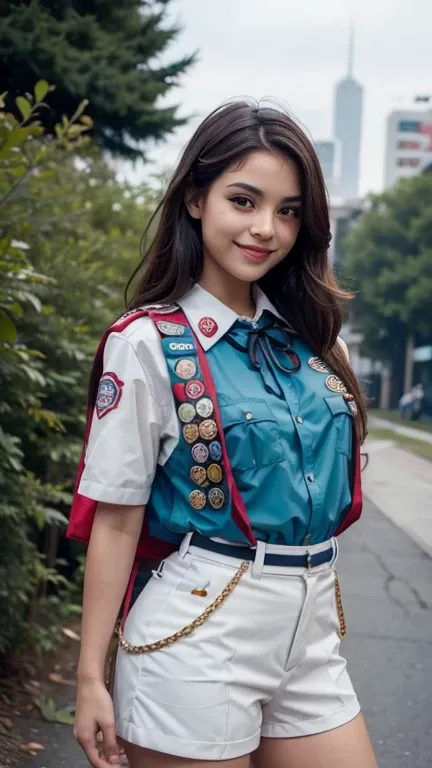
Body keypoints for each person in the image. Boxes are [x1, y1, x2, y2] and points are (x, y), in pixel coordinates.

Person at [68, 101, 378, 768]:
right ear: (195, 198)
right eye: (244, 200)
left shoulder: (317, 343)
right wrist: (91, 676)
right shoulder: (148, 344)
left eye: (289, 210)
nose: (266, 228)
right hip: (199, 627)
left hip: (313, 629)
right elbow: (117, 519)